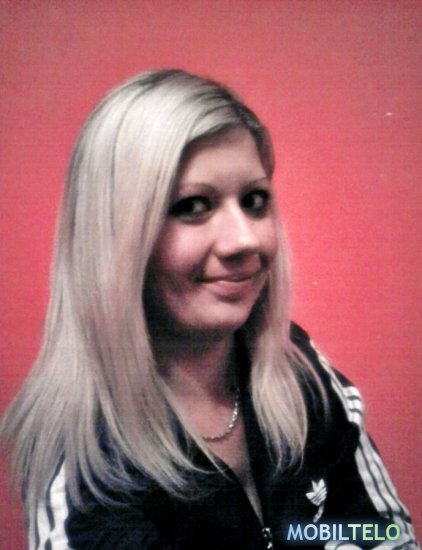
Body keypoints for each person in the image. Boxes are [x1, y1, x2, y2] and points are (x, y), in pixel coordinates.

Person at [0, 70, 418, 550]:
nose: (245, 239)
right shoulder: (82, 466)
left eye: (254, 201)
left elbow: (383, 530)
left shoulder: (298, 367)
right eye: (194, 206)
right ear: (113, 236)